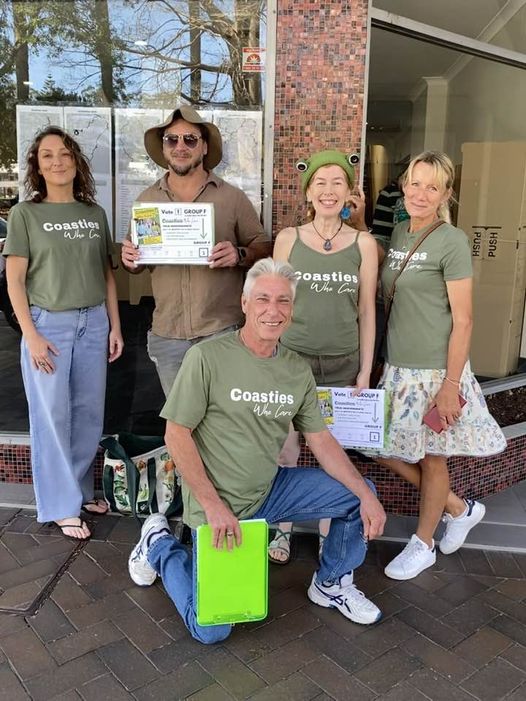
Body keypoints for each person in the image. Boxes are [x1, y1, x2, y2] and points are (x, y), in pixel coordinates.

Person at [127, 258, 386, 644]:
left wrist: (366, 495)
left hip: (269, 491)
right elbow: (177, 434)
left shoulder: (295, 370)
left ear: (292, 310)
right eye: (263, 298)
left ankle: (331, 583)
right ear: (245, 303)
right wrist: (213, 505)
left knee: (358, 496)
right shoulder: (207, 358)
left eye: (283, 301)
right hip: (217, 506)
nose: (273, 310)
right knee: (211, 630)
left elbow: (320, 439)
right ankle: (159, 545)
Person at [375, 150, 506, 580]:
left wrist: (450, 385)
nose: (421, 193)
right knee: (376, 446)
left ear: (446, 194)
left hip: (434, 372)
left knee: (432, 458)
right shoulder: (399, 233)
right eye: (415, 183)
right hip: (398, 367)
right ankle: (458, 508)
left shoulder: (451, 241)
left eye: (432, 187)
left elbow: (464, 320)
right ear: (403, 185)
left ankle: (423, 543)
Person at [4, 126, 123, 540]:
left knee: (88, 414)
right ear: (37, 167)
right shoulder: (25, 214)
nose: (57, 161)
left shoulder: (94, 213)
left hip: (94, 321)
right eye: (47, 155)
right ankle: (58, 505)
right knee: (52, 416)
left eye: (65, 153)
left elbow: (106, 274)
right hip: (48, 325)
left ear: (76, 161)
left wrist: (115, 325)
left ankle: (79, 492)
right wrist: (31, 335)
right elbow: (14, 281)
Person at [268, 150, 378, 564]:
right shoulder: (288, 239)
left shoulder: (364, 243)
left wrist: (365, 371)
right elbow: (274, 302)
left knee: (336, 452)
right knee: (286, 448)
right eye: (320, 182)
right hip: (292, 360)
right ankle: (282, 528)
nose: (328, 190)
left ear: (349, 192)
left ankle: (328, 532)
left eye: (337, 182)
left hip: (342, 363)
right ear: (308, 191)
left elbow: (367, 310)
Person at [121, 105, 271, 396]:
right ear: (164, 147)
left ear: (204, 147)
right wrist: (130, 260)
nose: (180, 146)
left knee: (224, 415)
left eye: (190, 139)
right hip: (168, 333)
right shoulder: (147, 200)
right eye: (172, 139)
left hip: (221, 331)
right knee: (179, 418)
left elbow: (263, 247)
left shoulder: (232, 197)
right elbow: (135, 262)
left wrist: (239, 255)